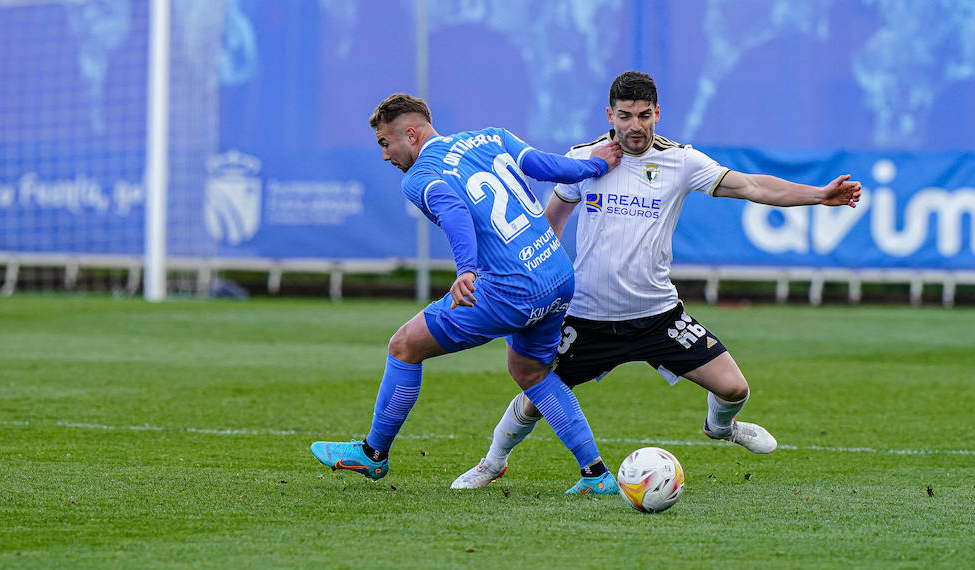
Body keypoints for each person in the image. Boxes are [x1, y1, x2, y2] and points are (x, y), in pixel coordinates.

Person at [451, 71, 862, 491]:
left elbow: (753, 185)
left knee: (735, 389)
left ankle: (721, 428)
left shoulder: (681, 162)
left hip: (657, 317)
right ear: (610, 115)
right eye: (625, 116)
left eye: (644, 116)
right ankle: (493, 461)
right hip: (587, 317)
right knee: (535, 394)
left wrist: (818, 194)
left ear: (657, 114)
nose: (635, 126)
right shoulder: (584, 159)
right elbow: (548, 227)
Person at [310, 93, 627, 494]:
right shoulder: (491, 137)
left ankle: (373, 455)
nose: (385, 156)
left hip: (510, 289)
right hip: (557, 273)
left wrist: (466, 270)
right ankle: (595, 474)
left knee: (404, 346)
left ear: (410, 134)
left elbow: (455, 211)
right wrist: (597, 164)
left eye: (385, 144)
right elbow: (546, 166)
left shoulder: (419, 176)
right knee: (531, 372)